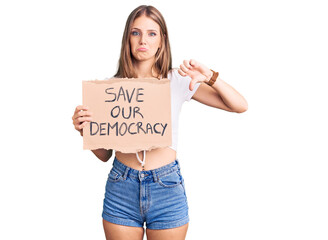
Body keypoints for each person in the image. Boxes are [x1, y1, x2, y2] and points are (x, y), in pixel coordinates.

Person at [72, 5, 248, 240]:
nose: (143, 40)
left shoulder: (177, 79)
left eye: (151, 33)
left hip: (165, 186)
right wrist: (85, 131)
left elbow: (239, 105)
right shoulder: (109, 88)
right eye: (136, 33)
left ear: (162, 41)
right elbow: (105, 155)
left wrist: (210, 77)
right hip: (121, 187)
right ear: (128, 38)